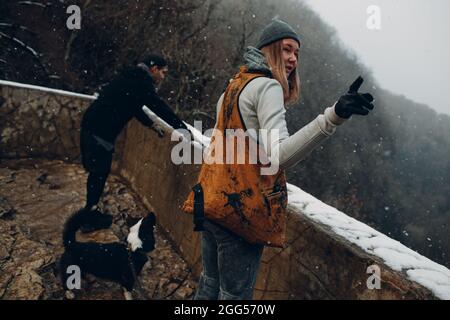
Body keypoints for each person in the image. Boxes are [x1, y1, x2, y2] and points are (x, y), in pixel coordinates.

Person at [192, 19, 375, 300]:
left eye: (297, 54)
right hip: (240, 212)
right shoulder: (268, 87)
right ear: (268, 49)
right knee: (234, 296)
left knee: (208, 286)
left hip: (212, 203)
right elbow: (277, 157)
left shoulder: (236, 84)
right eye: (287, 49)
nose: (292, 59)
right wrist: (333, 116)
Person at [80, 53, 190, 232]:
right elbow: (158, 106)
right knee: (98, 173)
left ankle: (90, 212)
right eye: (163, 72)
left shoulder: (132, 76)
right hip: (100, 130)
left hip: (94, 126)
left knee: (98, 172)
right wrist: (182, 128)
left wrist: (150, 124)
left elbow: (133, 105)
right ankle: (88, 218)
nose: (163, 76)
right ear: (154, 69)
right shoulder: (142, 82)